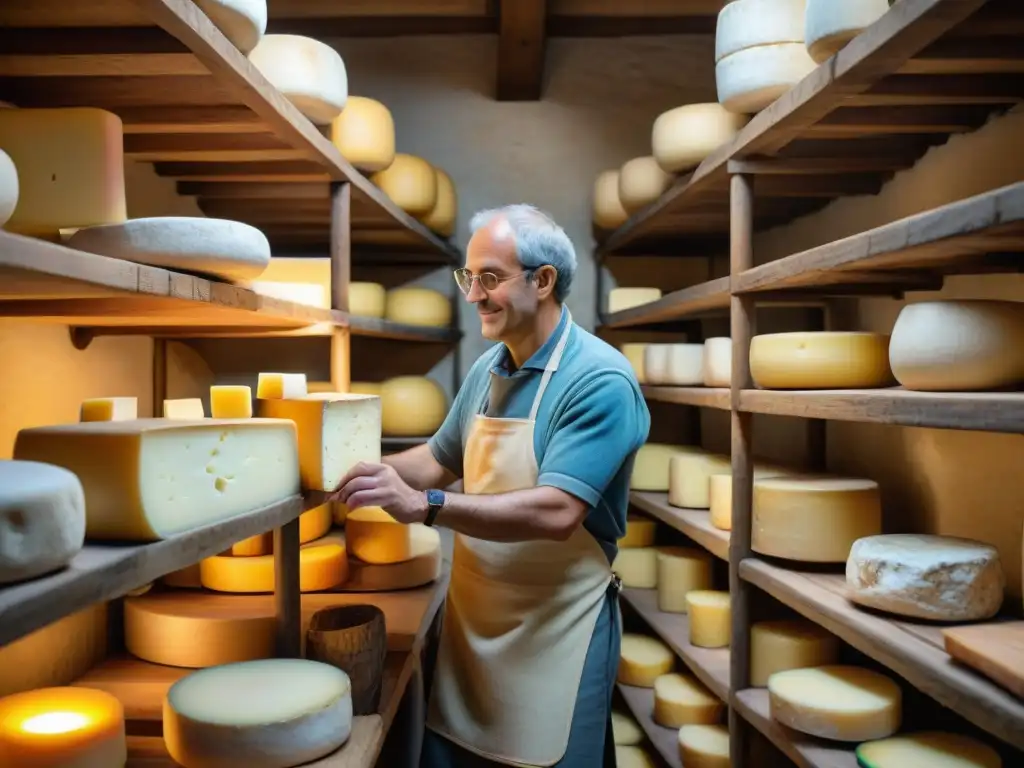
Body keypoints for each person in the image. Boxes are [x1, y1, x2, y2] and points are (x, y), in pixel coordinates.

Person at [333, 204, 651, 767]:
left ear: (543, 280)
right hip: (475, 630)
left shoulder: (599, 380)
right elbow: (435, 461)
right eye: (468, 277)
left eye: (489, 278)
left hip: (556, 633)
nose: (473, 294)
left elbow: (556, 513)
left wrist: (424, 506)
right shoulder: (488, 370)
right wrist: (343, 467)